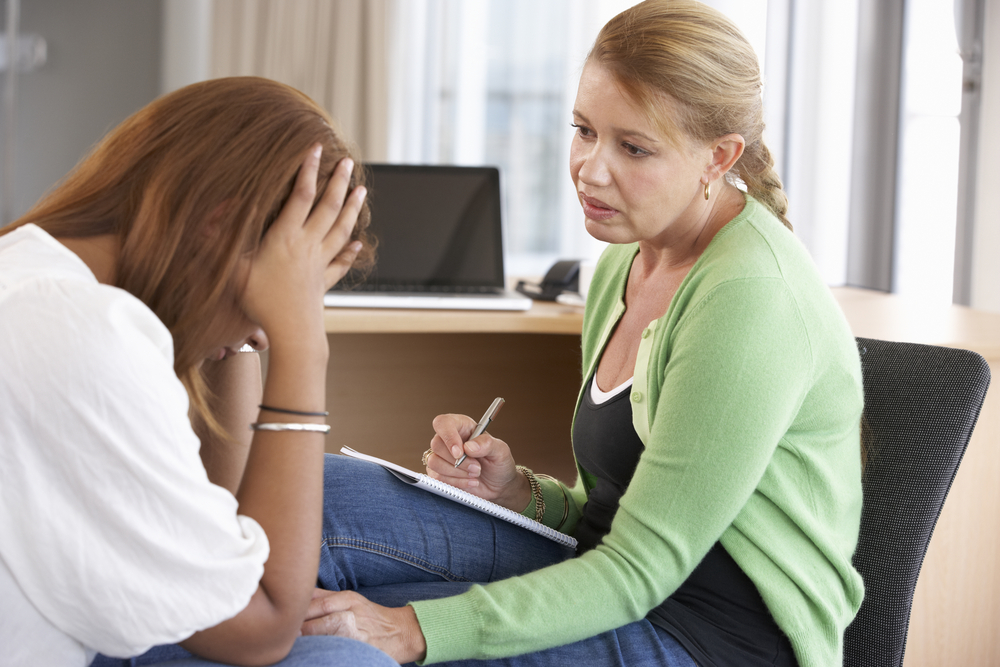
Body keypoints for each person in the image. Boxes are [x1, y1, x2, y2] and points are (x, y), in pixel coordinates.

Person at [301, 1, 865, 666]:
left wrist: (415, 628)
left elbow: (639, 566)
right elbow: (610, 508)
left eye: (633, 147)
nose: (591, 169)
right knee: (325, 498)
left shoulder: (748, 299)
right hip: (615, 572)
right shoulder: (624, 260)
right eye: (584, 130)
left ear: (719, 157)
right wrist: (516, 492)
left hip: (711, 637)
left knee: (344, 645)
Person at [0, 77, 397, 667]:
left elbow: (219, 519)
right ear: (219, 224)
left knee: (372, 609)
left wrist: (242, 313)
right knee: (347, 659)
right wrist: (300, 344)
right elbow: (261, 628)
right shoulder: (82, 334)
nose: (263, 331)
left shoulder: (39, 270)